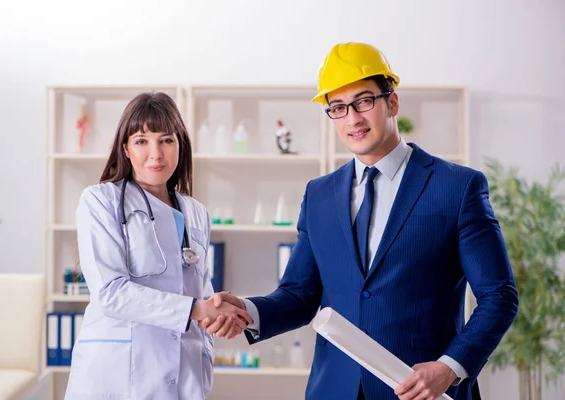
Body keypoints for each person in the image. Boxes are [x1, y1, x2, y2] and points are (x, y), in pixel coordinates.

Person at [202, 42, 518, 400]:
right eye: (338, 107)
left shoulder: (457, 187)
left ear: (392, 102)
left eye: (364, 101)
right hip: (334, 390)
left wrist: (449, 367)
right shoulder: (319, 194)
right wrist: (248, 310)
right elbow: (299, 295)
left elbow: (498, 296)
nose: (352, 118)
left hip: (421, 392)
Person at [64, 92, 252, 400]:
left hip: (184, 372)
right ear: (125, 148)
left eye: (166, 140)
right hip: (119, 375)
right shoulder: (100, 201)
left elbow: (198, 292)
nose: (156, 154)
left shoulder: (196, 213)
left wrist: (219, 313)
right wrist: (196, 308)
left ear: (180, 144)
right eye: (141, 141)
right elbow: (110, 292)